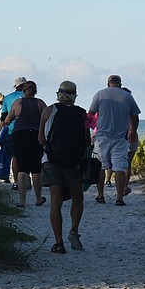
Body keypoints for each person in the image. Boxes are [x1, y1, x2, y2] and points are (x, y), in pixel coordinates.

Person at [39, 80, 90, 254]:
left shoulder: (49, 111)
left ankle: (59, 242)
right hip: (73, 163)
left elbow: (41, 139)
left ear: (59, 93)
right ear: (75, 94)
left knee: (55, 201)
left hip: (52, 161)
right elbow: (87, 141)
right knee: (77, 198)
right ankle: (74, 230)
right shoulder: (82, 113)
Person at [88, 74, 140, 205]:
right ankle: (119, 198)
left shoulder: (100, 94)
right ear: (120, 84)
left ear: (108, 84)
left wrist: (89, 128)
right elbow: (135, 116)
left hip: (102, 137)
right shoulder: (127, 96)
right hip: (120, 137)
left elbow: (90, 113)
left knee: (100, 167)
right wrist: (133, 131)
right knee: (119, 168)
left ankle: (100, 195)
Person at [3, 81, 47, 207]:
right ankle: (38, 198)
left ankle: (22, 201)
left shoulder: (18, 103)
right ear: (35, 90)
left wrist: (7, 122)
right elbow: (47, 117)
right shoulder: (40, 103)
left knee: (22, 168)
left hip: (20, 135)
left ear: (24, 90)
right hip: (35, 134)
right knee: (36, 168)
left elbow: (8, 118)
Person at [1, 77, 27, 187]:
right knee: (26, 156)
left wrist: (2, 131)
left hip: (12, 131)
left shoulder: (7, 98)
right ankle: (25, 180)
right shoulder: (27, 97)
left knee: (15, 157)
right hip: (27, 129)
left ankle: (16, 182)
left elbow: (3, 117)